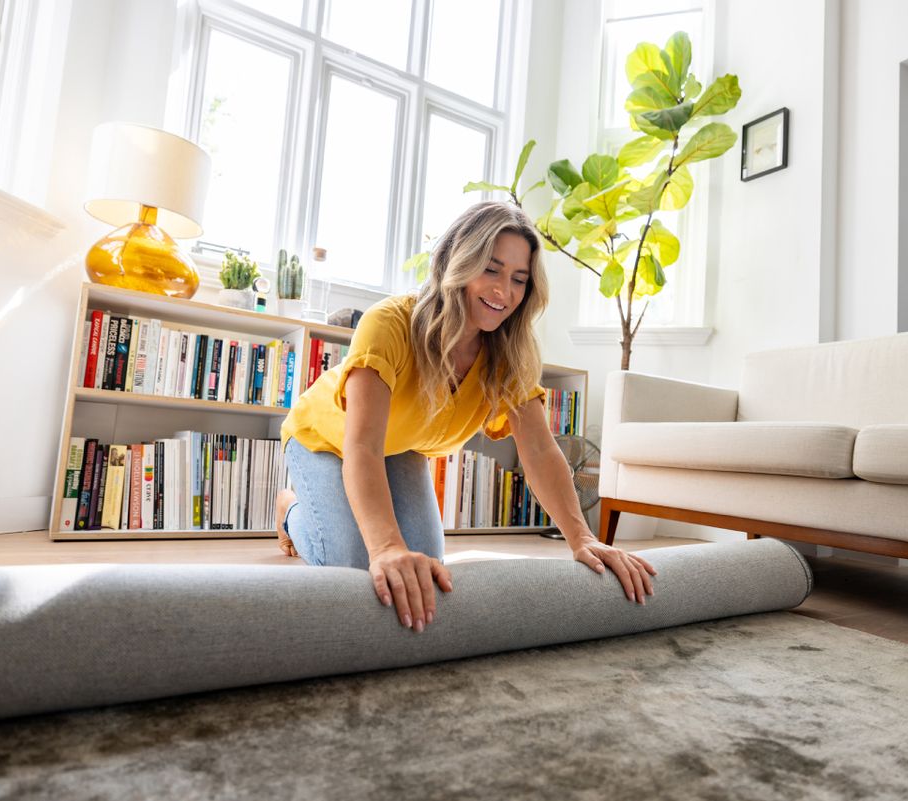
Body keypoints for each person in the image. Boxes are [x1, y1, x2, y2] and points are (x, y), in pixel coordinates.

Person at [274, 200, 657, 632]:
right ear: (458, 260)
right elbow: (361, 446)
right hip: (326, 438)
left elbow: (539, 450)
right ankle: (291, 510)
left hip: (402, 447)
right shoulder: (389, 323)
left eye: (519, 279)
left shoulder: (511, 353)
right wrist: (384, 546)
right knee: (354, 564)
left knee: (425, 568)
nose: (503, 291)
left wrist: (583, 538)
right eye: (491, 269)